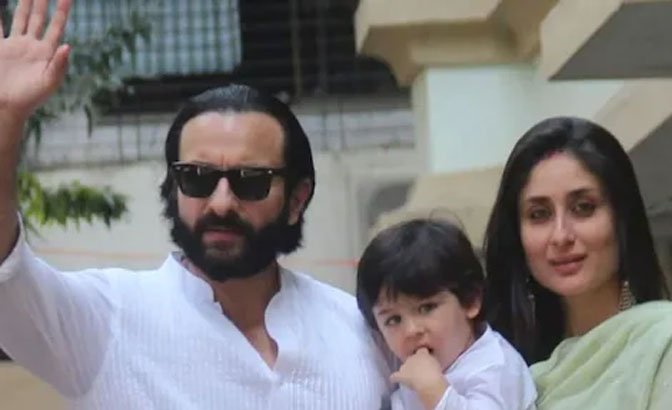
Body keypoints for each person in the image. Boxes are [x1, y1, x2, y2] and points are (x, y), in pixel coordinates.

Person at [0, 1, 391, 408]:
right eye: (197, 178)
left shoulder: (364, 333)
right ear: (173, 189)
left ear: (296, 200)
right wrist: (6, 118)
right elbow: (6, 276)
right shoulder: (104, 321)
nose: (221, 203)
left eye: (250, 181)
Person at [482, 116, 672, 409]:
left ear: (621, 219)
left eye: (583, 208)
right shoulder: (506, 374)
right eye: (539, 214)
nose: (561, 236)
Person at [357, 219, 537, 410]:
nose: (411, 330)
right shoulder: (405, 372)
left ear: (471, 301)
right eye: (393, 320)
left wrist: (434, 391)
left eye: (426, 308)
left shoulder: (496, 365)